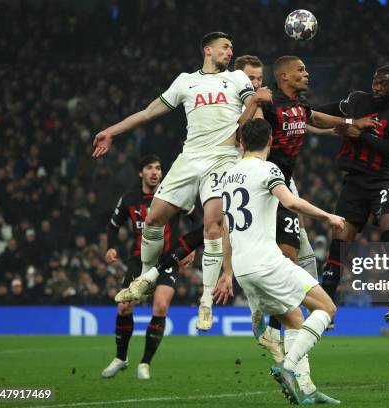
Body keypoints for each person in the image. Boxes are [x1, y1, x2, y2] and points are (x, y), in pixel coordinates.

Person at [93, 32, 271, 331]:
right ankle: (146, 278)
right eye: (225, 47)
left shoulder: (238, 79)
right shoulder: (186, 81)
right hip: (189, 159)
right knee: (153, 219)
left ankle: (206, 301)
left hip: (223, 158)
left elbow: (255, 112)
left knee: (212, 225)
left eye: (231, 47)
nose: (230, 51)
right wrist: (112, 130)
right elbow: (149, 112)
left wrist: (257, 133)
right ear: (208, 49)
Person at [241, 55, 379, 362]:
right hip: (264, 188)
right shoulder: (267, 103)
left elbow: (316, 118)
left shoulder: (299, 106)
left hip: (283, 185)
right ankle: (262, 308)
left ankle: (275, 329)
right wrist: (252, 103)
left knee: (292, 256)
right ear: (284, 77)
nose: (307, 74)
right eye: (301, 70)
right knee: (283, 258)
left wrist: (349, 124)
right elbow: (244, 137)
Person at [212, 118, 343, 404]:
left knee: (295, 320)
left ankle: (307, 390)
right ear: (270, 142)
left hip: (245, 270)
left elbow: (225, 228)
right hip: (268, 262)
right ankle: (288, 367)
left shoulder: (228, 176)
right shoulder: (268, 169)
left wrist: (227, 272)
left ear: (242, 143)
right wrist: (328, 216)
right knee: (327, 308)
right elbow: (291, 203)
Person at [315, 63, 389, 309]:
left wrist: (362, 135)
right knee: (340, 239)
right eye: (375, 82)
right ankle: (326, 308)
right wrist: (349, 122)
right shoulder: (357, 100)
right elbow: (320, 112)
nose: (377, 87)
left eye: (384, 83)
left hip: (382, 179)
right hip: (354, 182)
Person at [100, 155, 196, 380]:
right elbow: (113, 225)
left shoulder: (173, 193)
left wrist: (190, 247)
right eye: (149, 168)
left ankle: (145, 363)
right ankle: (121, 358)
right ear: (140, 173)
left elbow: (196, 218)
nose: (154, 172)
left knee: (160, 306)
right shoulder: (130, 198)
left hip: (169, 259)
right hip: (139, 260)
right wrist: (111, 247)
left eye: (158, 168)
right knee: (124, 306)